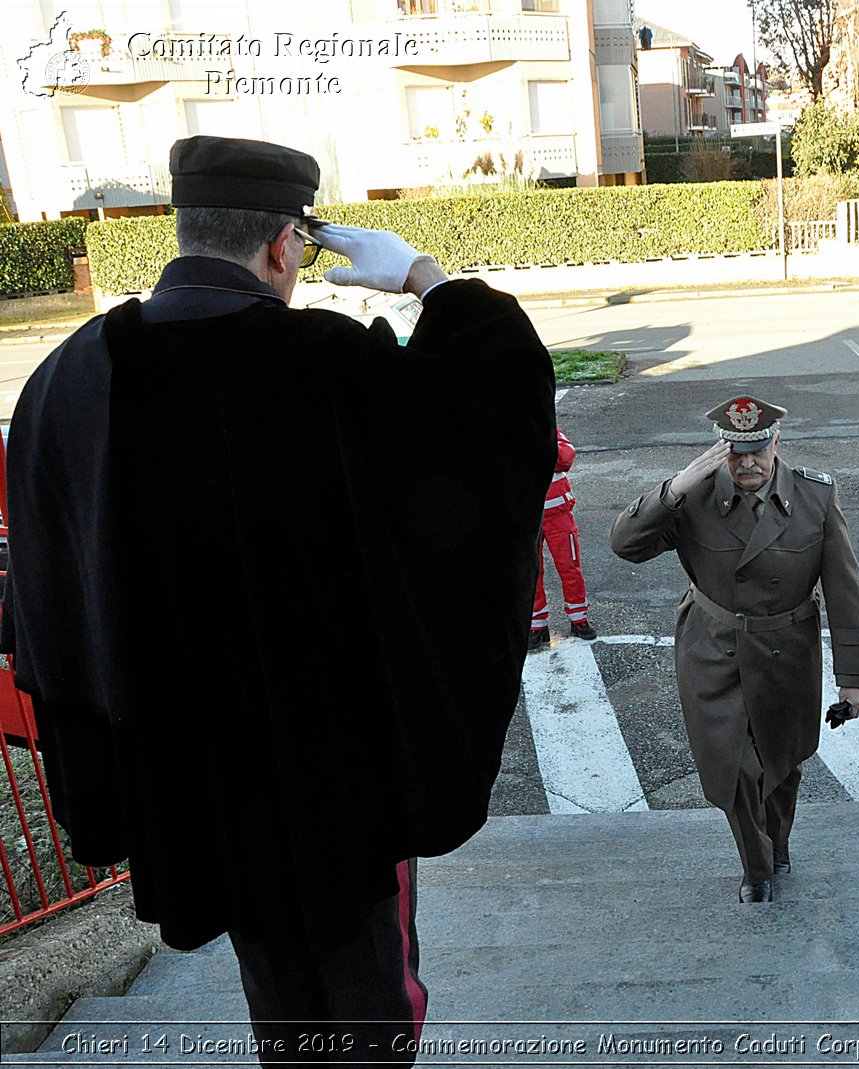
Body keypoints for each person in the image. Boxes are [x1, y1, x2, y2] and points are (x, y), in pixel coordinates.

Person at [0, 135, 555, 1061]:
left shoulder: (72, 378)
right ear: (285, 246)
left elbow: (49, 588)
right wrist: (428, 278)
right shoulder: (334, 366)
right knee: (371, 998)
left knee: (281, 1007)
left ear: (184, 230)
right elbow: (492, 420)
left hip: (192, 784)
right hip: (338, 782)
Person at [610, 397, 859, 903]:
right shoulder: (693, 497)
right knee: (734, 770)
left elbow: (844, 589)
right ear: (719, 450)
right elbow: (625, 545)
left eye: (757, 451)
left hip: (787, 650)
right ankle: (756, 870)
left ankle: (777, 846)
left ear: (776, 442)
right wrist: (673, 489)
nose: (748, 463)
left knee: (783, 763)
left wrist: (854, 679)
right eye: (735, 453)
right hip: (713, 647)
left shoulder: (815, 496)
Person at [529, 426, 598, 649]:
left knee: (570, 567)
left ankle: (579, 619)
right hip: (527, 517)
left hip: (558, 514)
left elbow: (566, 458)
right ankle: (537, 624)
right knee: (531, 572)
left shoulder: (550, 430)